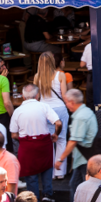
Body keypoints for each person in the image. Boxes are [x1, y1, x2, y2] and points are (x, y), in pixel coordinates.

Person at [10, 85, 61, 202]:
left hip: (27, 145)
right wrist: (56, 134)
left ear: (23, 96)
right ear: (37, 95)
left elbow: (13, 134)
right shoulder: (43, 106)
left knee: (31, 175)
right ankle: (47, 194)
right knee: (46, 167)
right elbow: (58, 123)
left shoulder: (17, 111)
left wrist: (23, 138)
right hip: (44, 142)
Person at [55, 89, 98, 202]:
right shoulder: (86, 111)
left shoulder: (80, 117)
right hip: (84, 158)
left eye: (66, 102)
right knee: (76, 185)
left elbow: (74, 140)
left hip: (85, 159)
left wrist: (60, 159)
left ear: (72, 102)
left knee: (83, 188)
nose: (66, 105)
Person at [34, 52, 69, 181]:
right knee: (61, 140)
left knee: (48, 141)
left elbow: (36, 97)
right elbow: (64, 95)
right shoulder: (61, 75)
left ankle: (50, 172)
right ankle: (60, 171)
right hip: (59, 109)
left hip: (44, 110)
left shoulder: (37, 77)